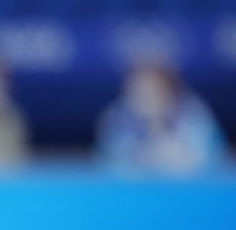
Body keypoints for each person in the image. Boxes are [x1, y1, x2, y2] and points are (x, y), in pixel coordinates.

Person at [96, 62, 228, 173]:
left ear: (169, 90)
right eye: (138, 90)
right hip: (134, 193)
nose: (146, 96)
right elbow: (111, 163)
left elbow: (209, 159)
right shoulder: (117, 116)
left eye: (153, 89)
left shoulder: (192, 112)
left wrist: (161, 129)